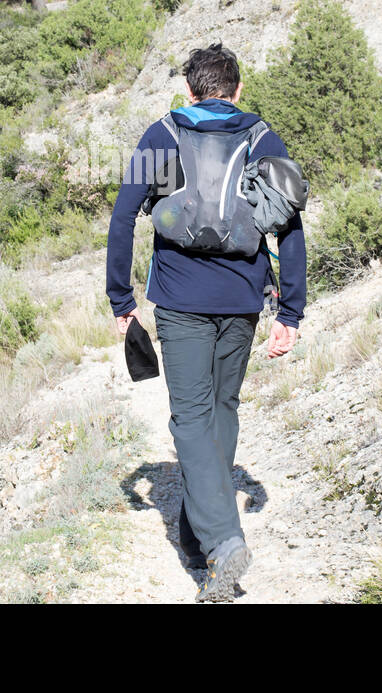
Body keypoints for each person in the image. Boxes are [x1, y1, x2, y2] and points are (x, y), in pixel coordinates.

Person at [106, 42, 306, 601]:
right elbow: (290, 228)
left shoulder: (160, 135)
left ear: (189, 90)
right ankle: (197, 540)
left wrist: (121, 300)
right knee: (221, 410)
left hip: (179, 298)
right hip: (243, 296)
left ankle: (221, 542)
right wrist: (290, 311)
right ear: (238, 90)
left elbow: (123, 217)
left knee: (190, 417)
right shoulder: (264, 139)